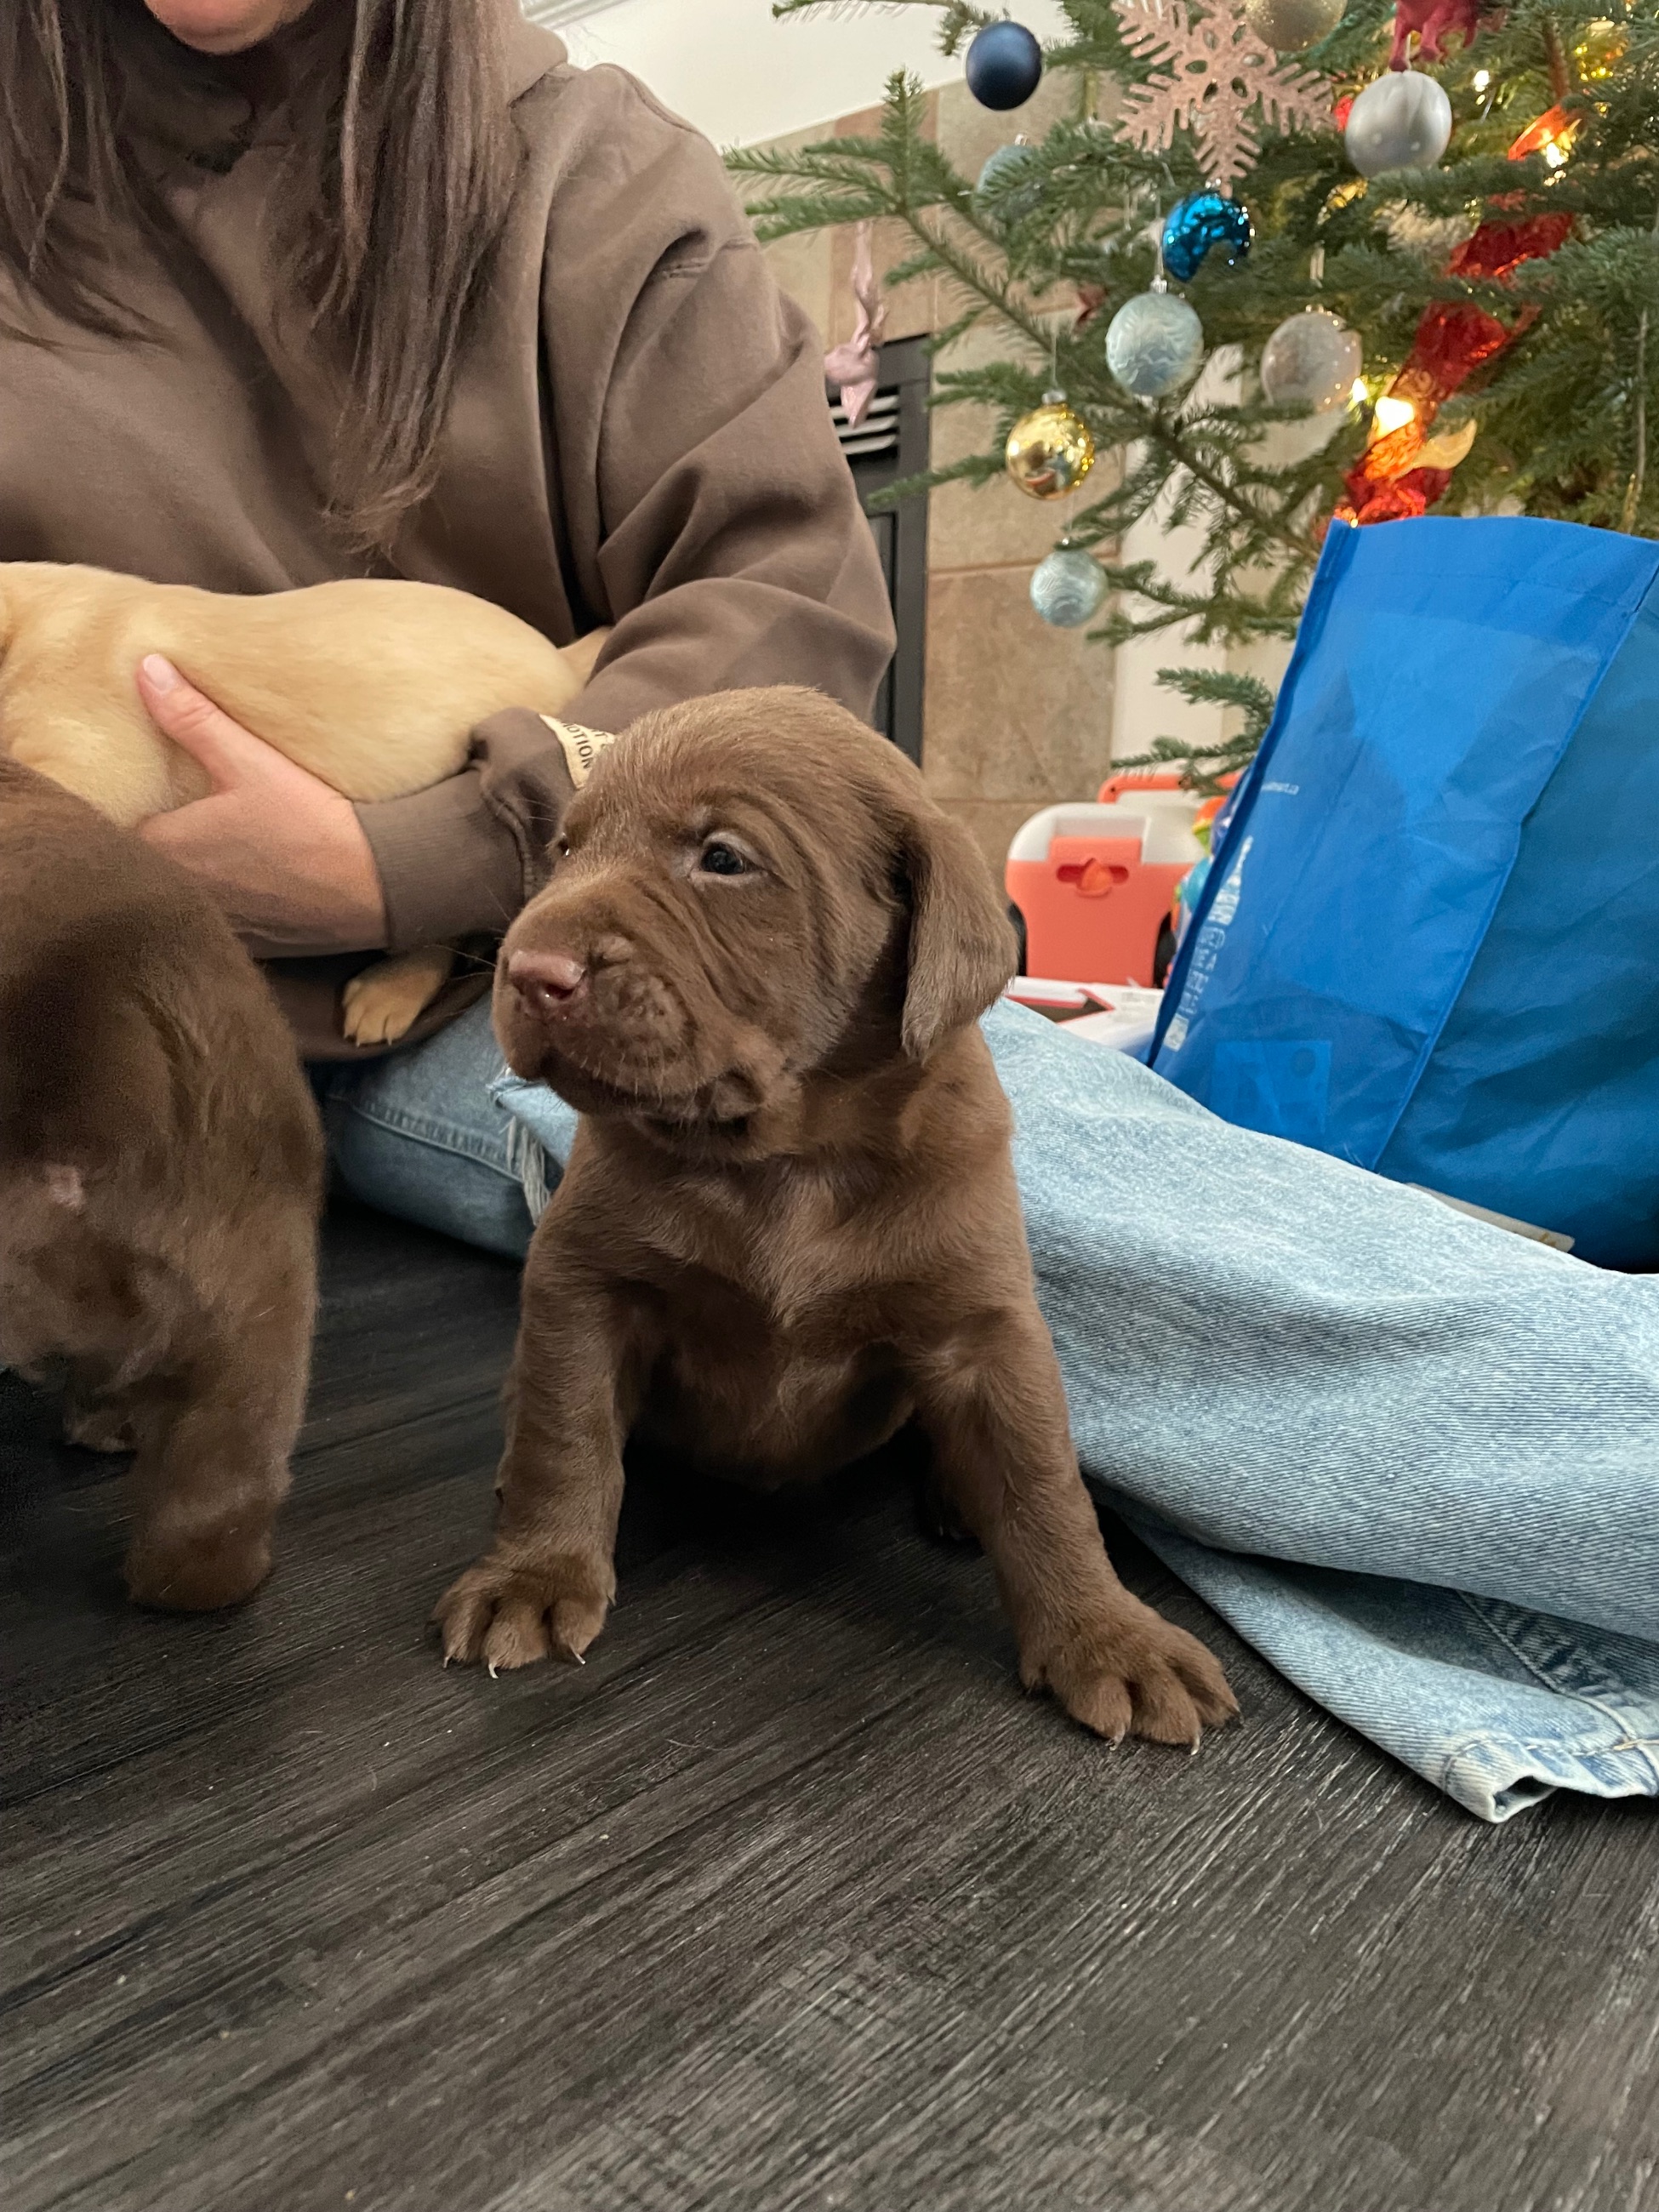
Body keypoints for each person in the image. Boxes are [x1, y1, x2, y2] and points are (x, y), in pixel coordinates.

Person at [3, 0, 1653, 1822]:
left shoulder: (575, 171)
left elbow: (785, 594)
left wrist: (431, 852)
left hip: (480, 968)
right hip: (71, 979)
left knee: (1109, 1220)